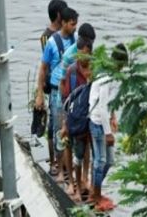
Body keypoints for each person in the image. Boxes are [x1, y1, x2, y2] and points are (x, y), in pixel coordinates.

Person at [35, 6, 79, 176]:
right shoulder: (52, 42)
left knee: (70, 126)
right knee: (57, 127)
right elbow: (43, 69)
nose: (74, 27)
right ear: (64, 23)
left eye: (76, 24)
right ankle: (57, 164)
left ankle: (68, 163)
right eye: (72, 24)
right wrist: (39, 94)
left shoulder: (76, 40)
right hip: (56, 91)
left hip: (72, 89)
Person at [89, 43, 128, 212]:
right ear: (117, 62)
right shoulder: (106, 77)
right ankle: (96, 197)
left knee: (110, 161)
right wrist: (108, 133)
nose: (122, 69)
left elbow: (110, 103)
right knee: (100, 161)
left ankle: (95, 190)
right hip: (97, 123)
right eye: (122, 65)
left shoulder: (113, 76)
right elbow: (102, 107)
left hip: (104, 121)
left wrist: (113, 117)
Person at [60, 31, 94, 203]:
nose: (84, 57)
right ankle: (71, 183)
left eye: (86, 54)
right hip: (71, 115)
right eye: (81, 54)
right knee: (68, 145)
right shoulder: (72, 71)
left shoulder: (93, 70)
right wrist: (65, 122)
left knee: (85, 147)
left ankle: (84, 179)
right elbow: (65, 97)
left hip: (86, 117)